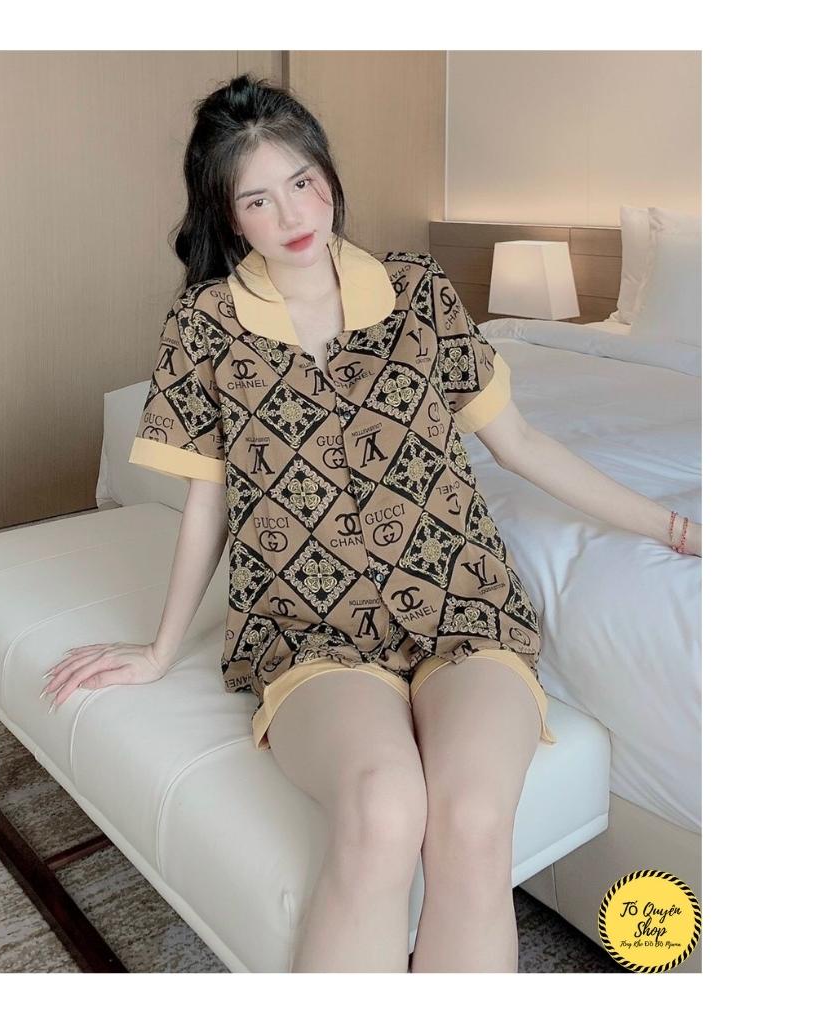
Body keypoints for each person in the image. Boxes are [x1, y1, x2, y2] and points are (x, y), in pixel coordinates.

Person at [40, 73, 701, 973]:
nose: (292, 214)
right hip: (309, 627)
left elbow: (521, 445)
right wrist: (159, 651)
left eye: (303, 181)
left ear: (328, 173)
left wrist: (676, 530)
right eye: (259, 199)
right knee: (384, 808)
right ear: (229, 216)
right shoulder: (205, 324)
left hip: (465, 609)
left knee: (473, 822)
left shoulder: (420, 291)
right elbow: (208, 503)